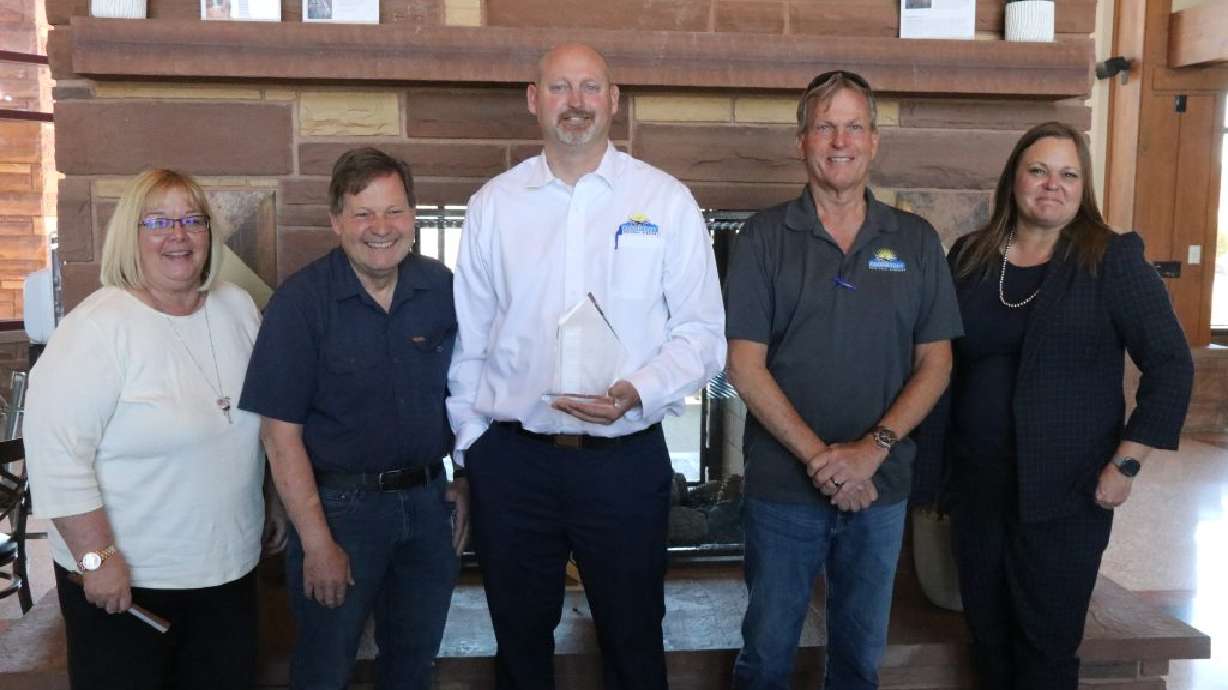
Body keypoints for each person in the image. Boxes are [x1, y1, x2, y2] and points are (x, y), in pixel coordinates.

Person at [447, 43, 726, 690]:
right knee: (519, 646)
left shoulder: (665, 201)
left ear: (614, 100)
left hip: (623, 464)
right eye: (560, 87)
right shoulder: (494, 205)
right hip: (514, 466)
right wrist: (473, 448)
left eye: (590, 87)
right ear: (534, 100)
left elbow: (703, 335)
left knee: (634, 642)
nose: (576, 102)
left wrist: (638, 390)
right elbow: (470, 343)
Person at [917, 121, 1193, 689]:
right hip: (977, 488)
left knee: (1045, 650)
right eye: (1039, 170)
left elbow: (1171, 365)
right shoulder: (970, 256)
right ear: (1014, 179)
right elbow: (940, 364)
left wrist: (1127, 464)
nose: (1053, 185)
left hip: (1067, 492)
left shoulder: (1110, 258)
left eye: (1068, 174)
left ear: (1082, 187)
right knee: (988, 642)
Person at [723, 70, 963, 690]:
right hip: (782, 491)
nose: (840, 141)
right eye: (825, 126)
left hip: (880, 490)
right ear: (801, 141)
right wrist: (824, 462)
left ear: (874, 141)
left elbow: (936, 363)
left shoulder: (915, 240)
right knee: (766, 657)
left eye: (854, 126)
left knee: (859, 661)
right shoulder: (762, 238)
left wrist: (870, 453)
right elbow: (743, 365)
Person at [24, 169, 279, 690]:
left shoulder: (236, 307)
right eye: (158, 221)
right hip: (128, 585)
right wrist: (97, 559)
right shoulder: (96, 328)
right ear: (130, 235)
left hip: (227, 571)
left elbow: (256, 423)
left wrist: (272, 501)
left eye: (192, 220)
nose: (177, 235)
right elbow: (56, 457)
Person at [239, 147, 466, 690]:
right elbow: (279, 436)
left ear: (412, 217)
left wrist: (467, 478)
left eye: (393, 211)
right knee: (325, 668)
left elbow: (473, 388)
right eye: (363, 214)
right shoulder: (300, 304)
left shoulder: (443, 289)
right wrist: (317, 542)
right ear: (336, 221)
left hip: (428, 507)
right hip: (340, 511)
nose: (380, 228)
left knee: (414, 666)